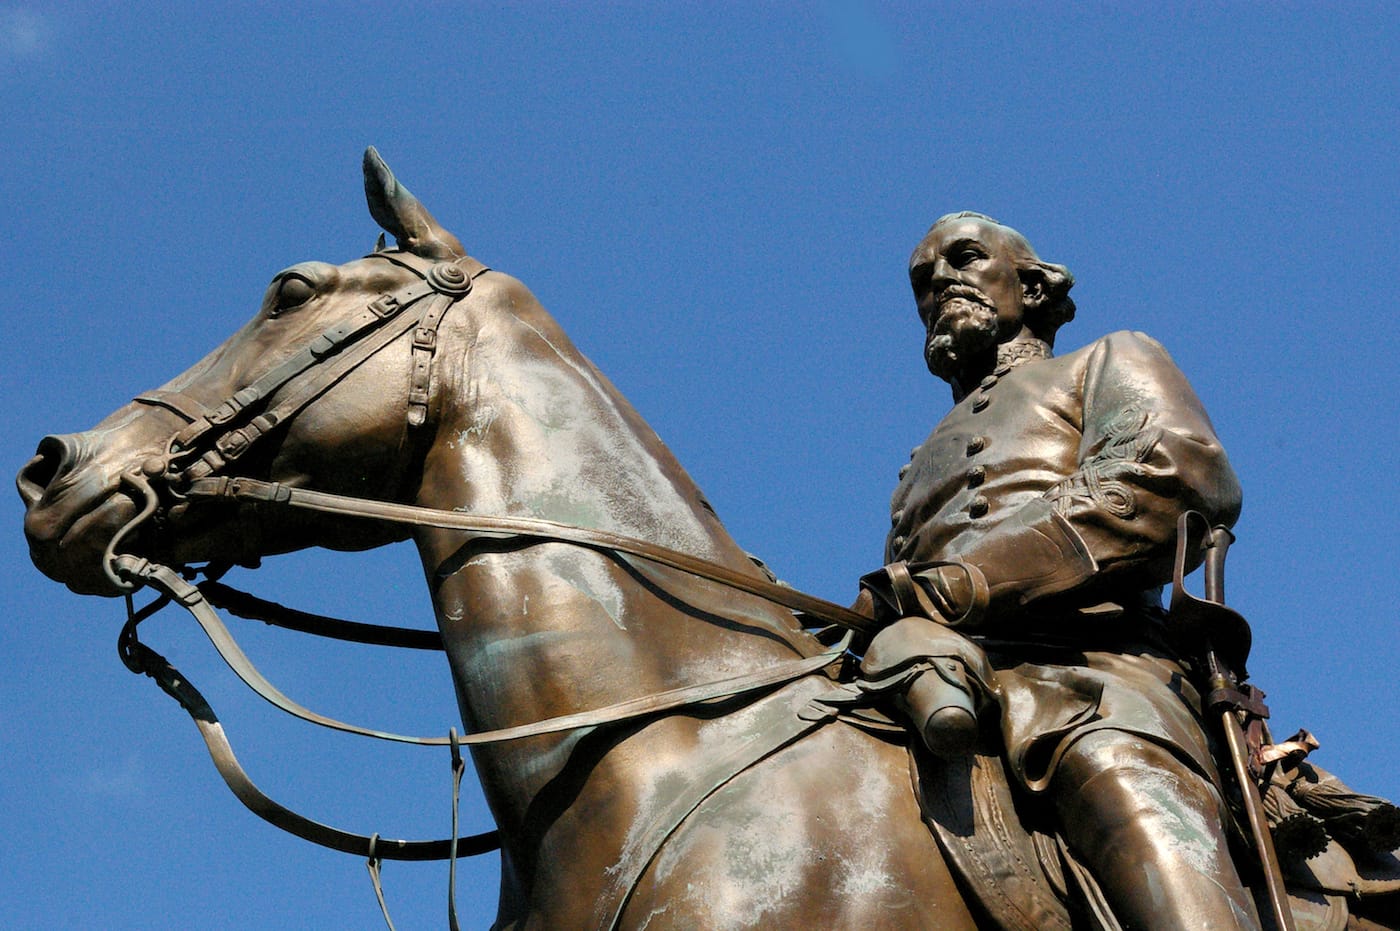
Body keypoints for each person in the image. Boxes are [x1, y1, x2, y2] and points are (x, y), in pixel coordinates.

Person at [859, 212, 1260, 929]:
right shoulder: (911, 469)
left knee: (1118, 779)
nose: (940, 281)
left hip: (1092, 665)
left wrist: (965, 579)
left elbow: (1171, 476)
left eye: (966, 258)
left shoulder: (1108, 358)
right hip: (938, 671)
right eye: (923, 279)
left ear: (1035, 288)